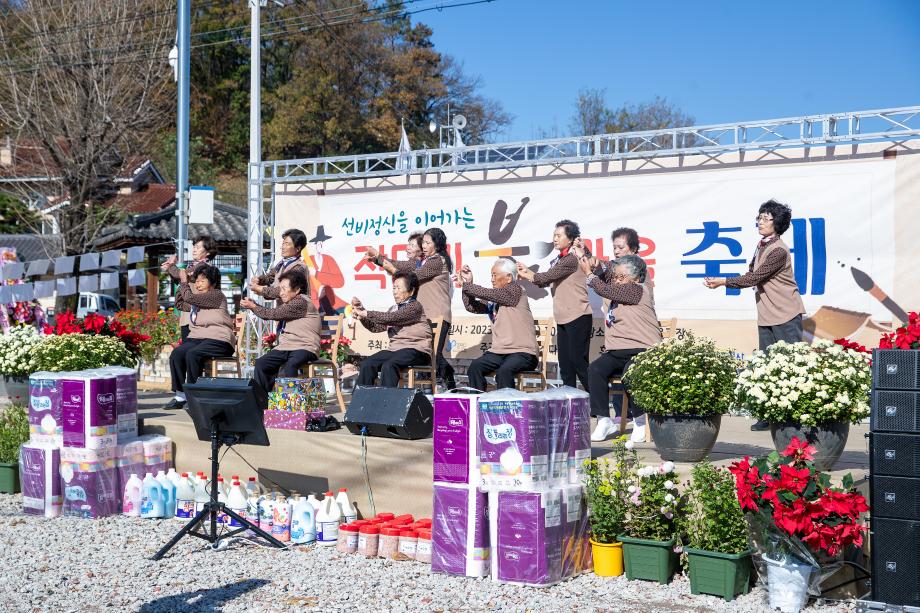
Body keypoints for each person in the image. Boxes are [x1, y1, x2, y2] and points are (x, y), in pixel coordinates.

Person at [704, 199, 805, 431]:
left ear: (777, 223)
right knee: (766, 366)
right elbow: (750, 272)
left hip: (787, 313)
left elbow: (753, 278)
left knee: (790, 367)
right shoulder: (761, 245)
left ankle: (791, 418)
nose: (760, 222)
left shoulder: (778, 250)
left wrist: (723, 282)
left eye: (766, 218)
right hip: (767, 314)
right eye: (759, 217)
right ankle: (768, 415)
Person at [582, 254, 662, 443]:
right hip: (617, 351)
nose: (617, 280)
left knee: (630, 372)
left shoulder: (638, 290)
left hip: (643, 350)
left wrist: (589, 275)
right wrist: (593, 263)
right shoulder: (617, 289)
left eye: (621, 277)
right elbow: (605, 277)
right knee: (595, 369)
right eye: (615, 277)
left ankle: (640, 421)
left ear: (635, 277)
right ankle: (603, 420)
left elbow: (602, 287)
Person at [367, 228, 455, 389]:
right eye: (424, 243)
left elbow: (414, 277)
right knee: (429, 354)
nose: (425, 245)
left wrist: (395, 273)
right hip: (424, 316)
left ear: (437, 244)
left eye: (428, 242)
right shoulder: (421, 262)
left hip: (437, 313)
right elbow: (399, 264)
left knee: (433, 354)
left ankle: (446, 384)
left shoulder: (437, 261)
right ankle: (431, 388)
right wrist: (378, 258)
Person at [517, 219, 592, 390]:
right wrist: (528, 272)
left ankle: (596, 403)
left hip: (578, 315)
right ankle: (570, 401)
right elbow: (545, 279)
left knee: (578, 361)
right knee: (565, 364)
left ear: (571, 238)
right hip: (563, 316)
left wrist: (528, 274)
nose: (555, 239)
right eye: (554, 235)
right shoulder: (560, 259)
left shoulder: (572, 259)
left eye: (559, 235)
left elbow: (545, 278)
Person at [241, 269, 321, 411]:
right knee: (261, 363)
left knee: (291, 365)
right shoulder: (290, 300)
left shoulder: (300, 302)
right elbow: (272, 305)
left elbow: (272, 314)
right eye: (280, 289)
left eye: (284, 289)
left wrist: (253, 306)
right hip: (286, 346)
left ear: (296, 290)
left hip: (306, 346)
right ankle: (262, 405)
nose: (281, 292)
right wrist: (256, 300)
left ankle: (290, 409)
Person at [459, 259, 538, 391]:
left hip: (523, 352)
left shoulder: (515, 290)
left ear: (508, 277)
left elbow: (487, 293)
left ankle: (506, 409)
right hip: (499, 353)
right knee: (475, 367)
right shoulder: (495, 300)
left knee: (504, 371)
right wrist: (467, 284)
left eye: (495, 275)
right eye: (491, 275)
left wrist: (468, 286)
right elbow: (471, 307)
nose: (492, 279)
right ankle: (479, 404)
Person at [165, 264, 236, 410]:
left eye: (202, 281)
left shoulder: (216, 295)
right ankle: (180, 395)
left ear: (213, 283)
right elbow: (180, 303)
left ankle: (194, 396)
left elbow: (189, 297)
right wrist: (182, 282)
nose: (198, 284)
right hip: (198, 338)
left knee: (193, 354)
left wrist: (185, 281)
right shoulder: (197, 300)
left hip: (219, 339)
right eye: (196, 281)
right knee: (177, 354)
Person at [353, 270, 432, 388]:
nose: (394, 292)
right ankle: (361, 403)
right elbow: (376, 327)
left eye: (398, 288)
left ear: (411, 291)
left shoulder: (415, 307)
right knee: (367, 363)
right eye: (394, 288)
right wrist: (362, 316)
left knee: (389, 365)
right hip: (395, 351)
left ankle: (386, 403)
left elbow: (392, 318)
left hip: (416, 350)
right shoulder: (393, 308)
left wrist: (366, 313)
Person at [162, 235, 218, 341]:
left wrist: (171, 265)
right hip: (188, 315)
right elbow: (180, 279)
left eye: (198, 247)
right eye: (194, 247)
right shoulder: (192, 266)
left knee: (190, 350)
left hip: (196, 317)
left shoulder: (203, 267)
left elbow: (180, 275)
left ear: (208, 252)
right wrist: (170, 269)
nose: (194, 249)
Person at [250, 228, 308, 302]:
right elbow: (270, 277)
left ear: (298, 248)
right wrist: (259, 280)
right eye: (283, 243)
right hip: (283, 309)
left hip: (295, 311)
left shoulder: (299, 267)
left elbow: (282, 290)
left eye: (287, 244)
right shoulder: (282, 264)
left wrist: (260, 289)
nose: (282, 247)